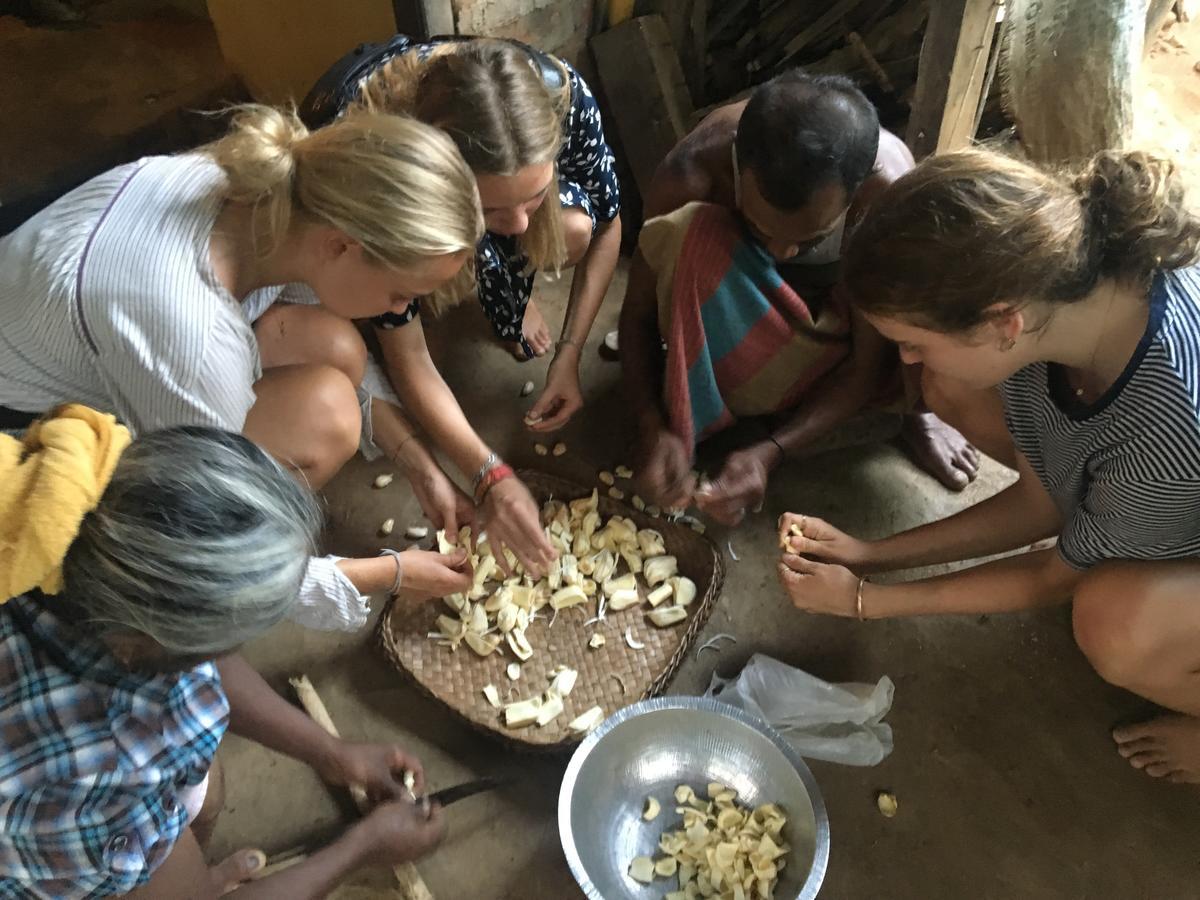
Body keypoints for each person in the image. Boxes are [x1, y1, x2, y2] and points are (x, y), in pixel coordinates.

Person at [0, 103, 553, 630]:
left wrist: (424, 469)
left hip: (68, 322)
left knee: (336, 347)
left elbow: (332, 338)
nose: (394, 310)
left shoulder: (277, 198)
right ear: (341, 247)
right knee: (324, 423)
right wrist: (390, 573)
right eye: (397, 292)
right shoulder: (193, 340)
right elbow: (211, 556)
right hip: (24, 420)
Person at [777, 148, 1200, 783]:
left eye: (913, 343)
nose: (909, 363)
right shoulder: (1052, 297)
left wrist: (866, 602)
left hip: (1177, 492)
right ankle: (1119, 541)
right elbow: (1041, 504)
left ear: (1003, 323)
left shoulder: (1167, 423)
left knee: (1113, 619)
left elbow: (1051, 578)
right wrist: (868, 553)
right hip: (1151, 492)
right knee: (954, 389)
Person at [0, 406, 444, 897]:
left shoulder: (53, 507)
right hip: (35, 844)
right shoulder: (120, 760)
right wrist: (363, 847)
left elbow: (200, 660)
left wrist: (332, 752)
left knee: (200, 799)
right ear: (147, 648)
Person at [621, 70, 979, 525]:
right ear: (738, 163)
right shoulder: (691, 173)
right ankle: (772, 400)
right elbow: (635, 315)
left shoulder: (884, 190)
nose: (782, 251)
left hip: (845, 310)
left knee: (930, 343)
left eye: (809, 237)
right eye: (760, 229)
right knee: (683, 235)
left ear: (857, 189)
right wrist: (650, 423)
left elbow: (867, 366)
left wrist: (771, 452)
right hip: (758, 302)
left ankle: (910, 414)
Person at [301, 35, 622, 433]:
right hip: (385, 165)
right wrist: (487, 472)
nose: (522, 225)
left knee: (572, 227)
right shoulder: (375, 172)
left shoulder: (566, 99)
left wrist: (569, 353)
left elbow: (609, 223)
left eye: (536, 195)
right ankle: (443, 284)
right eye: (489, 209)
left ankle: (504, 279)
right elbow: (411, 357)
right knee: (400, 331)